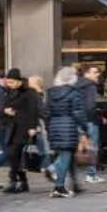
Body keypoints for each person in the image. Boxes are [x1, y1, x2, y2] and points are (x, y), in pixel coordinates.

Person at [43, 67, 87, 197]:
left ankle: (66, 185)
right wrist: (84, 128)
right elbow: (78, 113)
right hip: (69, 127)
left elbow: (46, 113)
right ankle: (55, 176)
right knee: (65, 157)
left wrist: (48, 128)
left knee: (65, 156)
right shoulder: (74, 93)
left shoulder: (51, 93)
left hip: (54, 126)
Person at [2, 69, 43, 193]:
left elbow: (33, 110)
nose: (10, 84)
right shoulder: (9, 92)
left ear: (19, 81)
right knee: (13, 155)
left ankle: (17, 180)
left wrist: (32, 127)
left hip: (24, 127)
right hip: (11, 127)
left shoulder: (29, 92)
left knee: (16, 154)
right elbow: (4, 106)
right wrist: (6, 111)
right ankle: (18, 180)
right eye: (8, 82)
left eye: (12, 82)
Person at [79, 64, 104, 184]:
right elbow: (90, 105)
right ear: (87, 73)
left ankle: (57, 170)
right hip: (90, 120)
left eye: (98, 72)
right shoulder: (91, 86)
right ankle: (91, 174)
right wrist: (96, 113)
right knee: (92, 147)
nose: (97, 74)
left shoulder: (77, 85)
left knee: (76, 148)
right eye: (94, 72)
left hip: (78, 120)